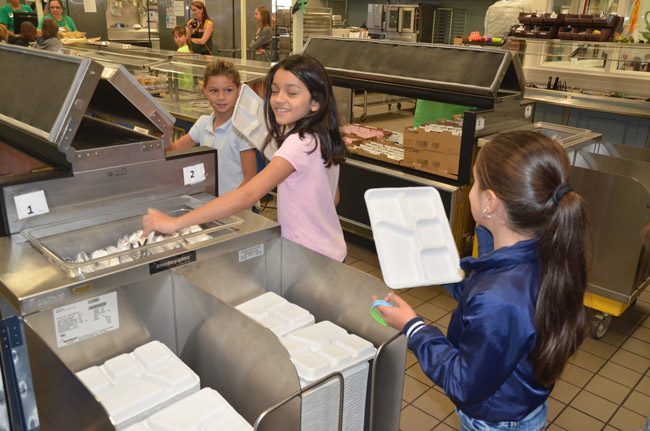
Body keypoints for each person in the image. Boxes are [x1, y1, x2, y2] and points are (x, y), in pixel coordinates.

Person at [374, 131, 589, 430]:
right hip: (519, 404)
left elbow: (464, 382)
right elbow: (486, 300)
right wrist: (445, 273)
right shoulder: (543, 251)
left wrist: (413, 328)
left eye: (475, 181)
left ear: (490, 202)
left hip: (496, 421)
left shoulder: (501, 296)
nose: (471, 189)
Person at [144, 54, 347, 262]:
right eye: (275, 90)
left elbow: (247, 195)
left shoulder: (298, 144)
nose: (278, 99)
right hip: (330, 248)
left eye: (292, 93)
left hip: (306, 253)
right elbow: (334, 197)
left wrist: (176, 223)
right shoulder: (321, 137)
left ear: (315, 102)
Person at [168, 60, 256, 196]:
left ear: (238, 90)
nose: (221, 97)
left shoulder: (242, 130)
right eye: (214, 91)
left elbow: (250, 180)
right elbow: (173, 150)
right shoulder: (203, 123)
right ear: (204, 91)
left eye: (228, 90)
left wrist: (226, 205)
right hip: (209, 203)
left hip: (235, 209)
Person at [171, 25, 193, 91]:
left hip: (183, 82)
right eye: (175, 37)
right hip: (187, 80)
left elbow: (179, 68)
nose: (178, 39)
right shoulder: (186, 48)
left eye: (180, 36)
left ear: (186, 36)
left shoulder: (181, 50)